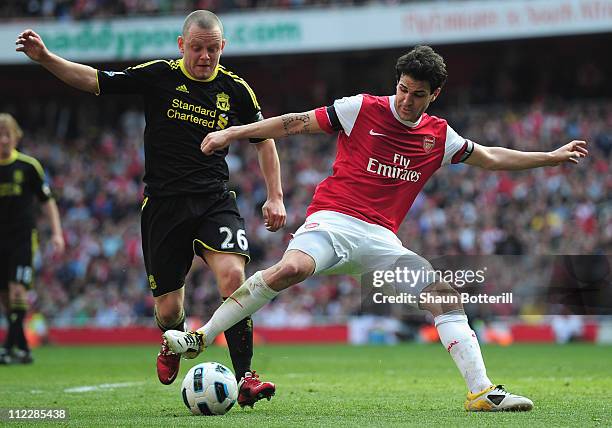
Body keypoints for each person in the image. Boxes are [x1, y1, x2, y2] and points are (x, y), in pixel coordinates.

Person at [164, 45, 589, 411]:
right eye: (403, 89)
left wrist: (549, 157)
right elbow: (293, 122)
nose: (406, 100)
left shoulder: (440, 137)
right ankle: (200, 337)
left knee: (443, 294)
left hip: (382, 240)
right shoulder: (361, 108)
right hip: (331, 221)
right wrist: (235, 132)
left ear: (434, 95)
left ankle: (481, 393)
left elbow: (493, 157)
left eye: (417, 94)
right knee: (290, 269)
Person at [16, 10, 286, 407]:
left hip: (214, 200)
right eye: (197, 48)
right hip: (163, 207)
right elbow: (96, 81)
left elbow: (264, 139)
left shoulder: (236, 89)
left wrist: (275, 195)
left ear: (222, 47)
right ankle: (172, 343)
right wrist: (46, 58)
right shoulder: (160, 75)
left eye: (213, 49)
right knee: (168, 309)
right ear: (182, 45)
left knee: (233, 277)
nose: (205, 56)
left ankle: (246, 376)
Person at [0, 113, 65, 365]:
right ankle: (23, 348)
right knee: (6, 297)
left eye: (8, 135)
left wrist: (57, 233)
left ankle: (7, 347)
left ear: (16, 137)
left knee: (18, 290)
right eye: (0, 135)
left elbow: (47, 201)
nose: (3, 140)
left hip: (22, 238)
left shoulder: (28, 166)